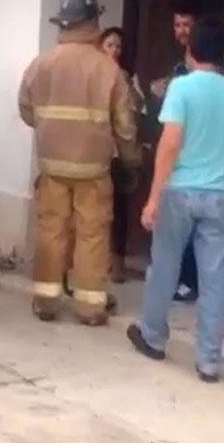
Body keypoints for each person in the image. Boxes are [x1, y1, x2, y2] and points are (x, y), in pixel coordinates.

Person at [127, 19, 224, 383]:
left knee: (164, 266)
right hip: (219, 194)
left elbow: (169, 144)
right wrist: (222, 180)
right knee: (215, 278)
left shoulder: (181, 87)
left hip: (178, 191)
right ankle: (209, 360)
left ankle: (153, 337)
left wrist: (152, 198)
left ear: (190, 49)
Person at [19, 0, 140, 326]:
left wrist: (51, 129)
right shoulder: (108, 69)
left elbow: (26, 109)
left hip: (52, 167)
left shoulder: (41, 64)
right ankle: (89, 307)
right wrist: (130, 160)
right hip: (93, 170)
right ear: (93, 23)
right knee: (92, 235)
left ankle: (46, 301)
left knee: (51, 231)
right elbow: (125, 126)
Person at [150, 10, 199, 303]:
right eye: (177, 25)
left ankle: (187, 281)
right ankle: (178, 279)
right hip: (175, 148)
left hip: (188, 152)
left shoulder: (200, 66)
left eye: (186, 24)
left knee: (187, 225)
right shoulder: (175, 62)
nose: (181, 30)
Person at [99, 27, 144, 283]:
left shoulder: (126, 77)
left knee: (119, 208)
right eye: (110, 45)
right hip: (98, 150)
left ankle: (116, 264)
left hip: (119, 153)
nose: (115, 50)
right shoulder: (93, 73)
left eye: (118, 46)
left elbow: (137, 108)